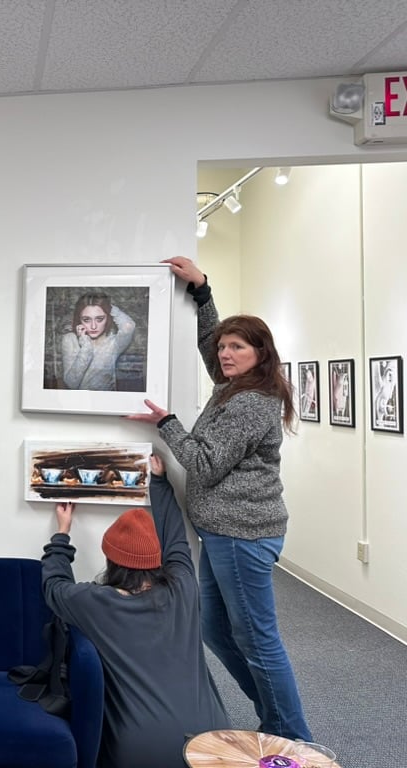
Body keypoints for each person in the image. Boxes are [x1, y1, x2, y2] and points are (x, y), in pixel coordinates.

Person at [127, 256, 312, 741]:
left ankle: (291, 735)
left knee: (258, 641)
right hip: (224, 535)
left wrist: (166, 424)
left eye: (238, 347)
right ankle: (275, 716)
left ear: (260, 354)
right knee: (215, 629)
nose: (225, 354)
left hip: (242, 537)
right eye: (225, 345)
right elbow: (211, 352)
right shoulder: (234, 386)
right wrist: (203, 293)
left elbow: (205, 463)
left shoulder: (250, 402)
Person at [41, 455, 230, 768]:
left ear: (111, 561)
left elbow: (53, 585)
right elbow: (176, 538)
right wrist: (159, 482)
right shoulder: (183, 586)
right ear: (156, 560)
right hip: (213, 744)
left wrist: (62, 533)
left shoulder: (95, 602)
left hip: (140, 750)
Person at [60, 292, 137, 390]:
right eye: (86, 320)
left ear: (108, 318)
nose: (93, 326)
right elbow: (71, 384)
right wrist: (86, 347)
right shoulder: (70, 339)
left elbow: (128, 326)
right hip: (78, 402)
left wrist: (108, 307)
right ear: (79, 320)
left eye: (99, 319)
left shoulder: (113, 343)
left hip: (106, 401)